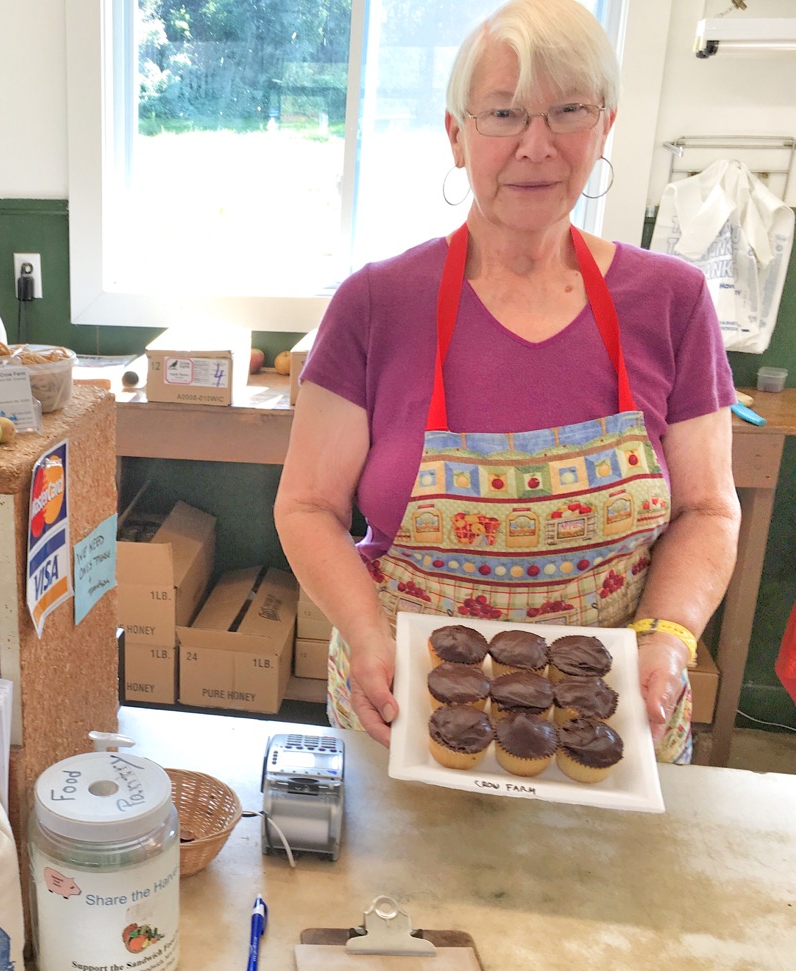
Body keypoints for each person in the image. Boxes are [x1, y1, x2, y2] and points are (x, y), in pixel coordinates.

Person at [273, 0, 740, 763]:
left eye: (567, 111)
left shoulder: (673, 302)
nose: (536, 145)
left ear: (605, 127)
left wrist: (668, 638)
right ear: (457, 135)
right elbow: (307, 504)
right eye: (503, 114)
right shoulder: (375, 303)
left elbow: (707, 510)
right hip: (410, 704)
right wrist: (365, 634)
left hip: (613, 717)